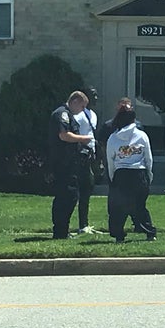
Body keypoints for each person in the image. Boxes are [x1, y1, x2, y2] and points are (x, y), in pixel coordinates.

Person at [105, 107, 157, 242]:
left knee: (117, 208)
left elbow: (110, 160)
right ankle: (149, 232)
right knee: (139, 206)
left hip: (121, 174)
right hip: (139, 174)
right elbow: (148, 158)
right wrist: (148, 174)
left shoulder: (113, 138)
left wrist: (112, 177)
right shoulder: (142, 135)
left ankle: (118, 235)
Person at [48, 91, 94, 239]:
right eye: (82, 106)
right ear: (74, 101)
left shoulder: (68, 114)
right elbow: (64, 135)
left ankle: (62, 230)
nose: (82, 110)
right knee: (67, 196)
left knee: (69, 196)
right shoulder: (63, 114)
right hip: (63, 163)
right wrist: (83, 139)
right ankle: (60, 231)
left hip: (69, 163)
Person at [71, 87, 101, 234]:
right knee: (83, 188)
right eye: (92, 95)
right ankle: (82, 224)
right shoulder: (78, 115)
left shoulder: (92, 114)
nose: (95, 98)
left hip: (91, 154)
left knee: (88, 188)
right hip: (81, 155)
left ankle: (85, 223)